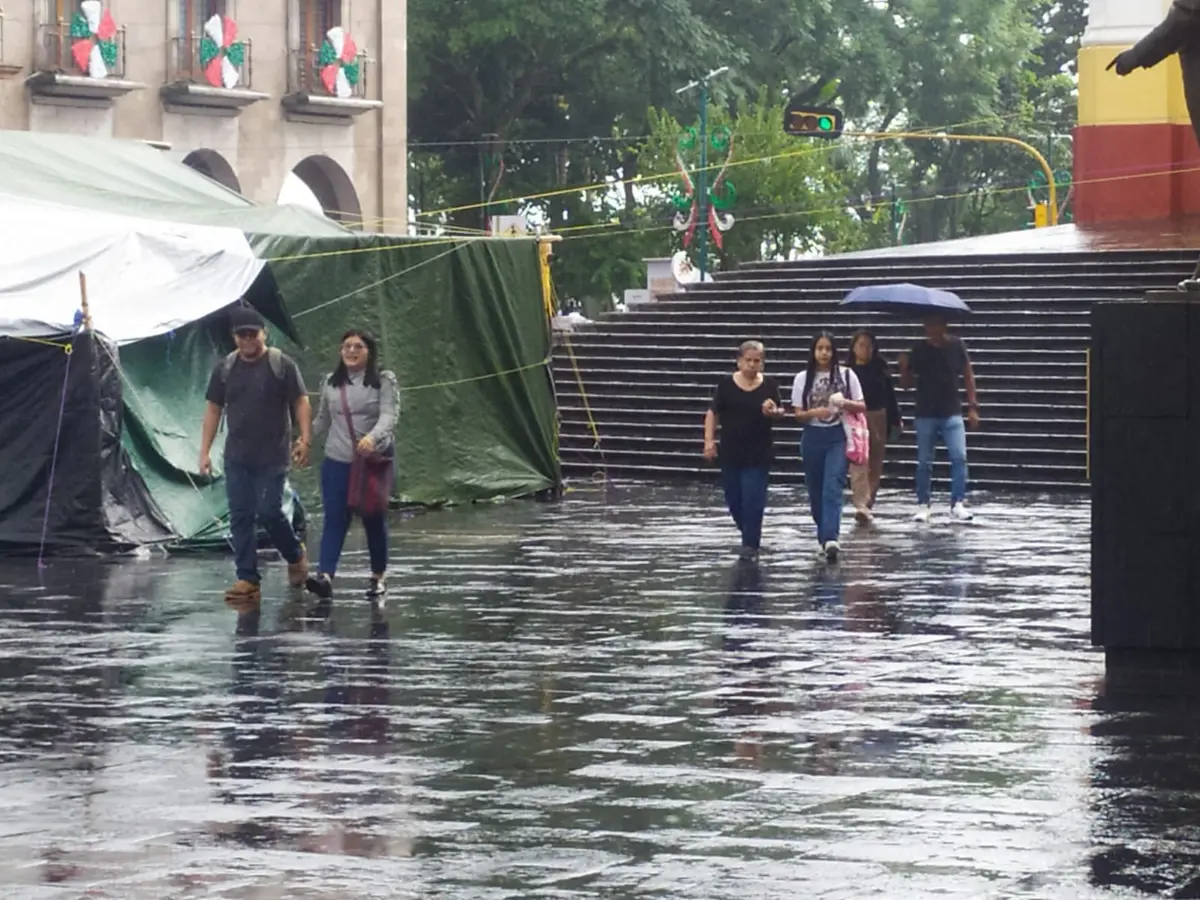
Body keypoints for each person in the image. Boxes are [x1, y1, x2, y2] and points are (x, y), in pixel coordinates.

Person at [199, 305, 311, 605]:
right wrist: (204, 452)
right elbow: (213, 409)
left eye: (253, 333)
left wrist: (305, 438)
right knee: (240, 515)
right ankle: (248, 577)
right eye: (241, 334)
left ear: (264, 333)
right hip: (237, 455)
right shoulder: (225, 368)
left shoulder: (281, 364)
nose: (248, 339)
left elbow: (300, 401)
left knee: (269, 511)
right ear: (234, 337)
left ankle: (295, 554)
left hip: (273, 454)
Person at [306, 329, 400, 601]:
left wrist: (372, 438)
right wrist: (305, 439)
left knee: (373, 518)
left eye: (358, 346)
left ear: (369, 352)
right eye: (346, 346)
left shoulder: (383, 380)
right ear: (340, 351)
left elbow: (389, 416)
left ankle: (378, 575)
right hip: (337, 459)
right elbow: (323, 419)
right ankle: (325, 576)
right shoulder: (330, 382)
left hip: (372, 461)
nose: (351, 351)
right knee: (335, 517)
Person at [703, 340, 785, 560]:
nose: (751, 365)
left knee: (754, 500)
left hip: (759, 452)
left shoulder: (769, 386)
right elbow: (713, 413)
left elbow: (780, 410)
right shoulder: (726, 385)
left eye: (757, 361)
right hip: (731, 452)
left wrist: (773, 411)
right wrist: (709, 441)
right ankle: (748, 534)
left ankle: (751, 546)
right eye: (747, 360)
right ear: (739, 361)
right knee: (734, 500)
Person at [897, 314, 980, 523]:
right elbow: (906, 385)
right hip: (925, 412)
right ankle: (923, 503)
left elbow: (968, 375)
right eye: (928, 323)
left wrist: (972, 406)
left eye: (936, 323)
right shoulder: (918, 350)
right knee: (924, 461)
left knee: (959, 456)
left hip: (952, 410)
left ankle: (958, 502)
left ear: (944, 325)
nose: (932, 328)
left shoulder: (956, 346)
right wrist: (903, 367)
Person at [792, 332, 865, 562]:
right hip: (813, 436)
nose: (824, 353)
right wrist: (814, 412)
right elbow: (798, 415)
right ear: (813, 352)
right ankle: (823, 536)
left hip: (837, 435)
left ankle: (831, 537)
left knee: (833, 485)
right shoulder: (803, 378)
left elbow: (862, 405)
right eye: (820, 348)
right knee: (815, 490)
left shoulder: (847, 375)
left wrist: (844, 403)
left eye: (828, 349)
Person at [847, 330, 902, 525]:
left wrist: (896, 420)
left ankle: (868, 502)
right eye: (861, 345)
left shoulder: (881, 369)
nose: (865, 349)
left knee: (876, 462)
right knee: (859, 461)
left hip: (878, 416)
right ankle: (861, 502)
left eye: (869, 346)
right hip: (855, 417)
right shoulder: (847, 372)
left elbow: (890, 396)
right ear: (853, 348)